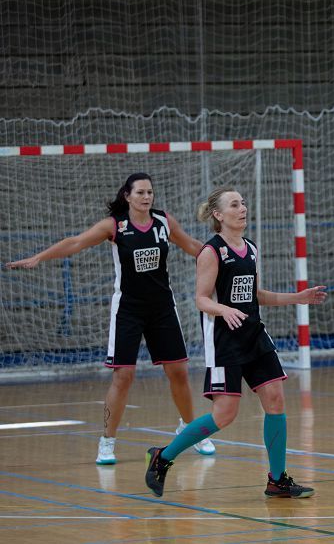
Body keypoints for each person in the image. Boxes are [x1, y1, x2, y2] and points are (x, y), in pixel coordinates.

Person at [6, 172, 215, 464]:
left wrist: (226, 260)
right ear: (127, 196)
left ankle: (190, 431)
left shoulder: (164, 222)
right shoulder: (114, 226)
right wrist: (40, 257)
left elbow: (195, 247)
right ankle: (107, 440)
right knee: (123, 376)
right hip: (128, 309)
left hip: (162, 308)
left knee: (178, 371)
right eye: (140, 192)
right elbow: (76, 242)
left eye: (150, 192)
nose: (146, 197)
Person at [143, 187, 327, 499]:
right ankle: (163, 456)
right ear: (218, 214)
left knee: (276, 399)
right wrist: (224, 308)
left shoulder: (251, 249)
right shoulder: (211, 252)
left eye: (242, 203)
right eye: (234, 204)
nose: (242, 208)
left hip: (254, 335)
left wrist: (299, 297)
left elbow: (257, 296)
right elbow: (201, 300)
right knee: (225, 415)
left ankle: (277, 479)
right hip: (224, 340)